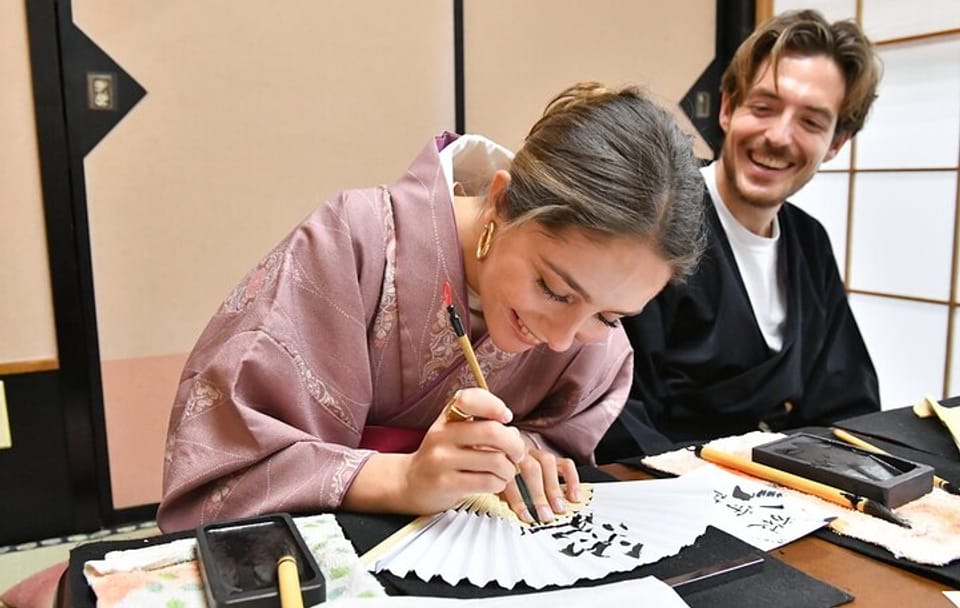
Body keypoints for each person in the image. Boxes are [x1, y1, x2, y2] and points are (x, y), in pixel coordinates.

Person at [158, 82, 706, 532]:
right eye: (553, 289)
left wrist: (525, 451)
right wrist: (402, 479)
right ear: (501, 200)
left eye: (609, 317)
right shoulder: (354, 244)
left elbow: (561, 434)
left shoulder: (590, 346)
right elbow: (226, 469)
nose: (563, 337)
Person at [596, 10, 883, 462]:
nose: (779, 137)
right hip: (666, 485)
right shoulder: (655, 222)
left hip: (787, 486)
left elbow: (847, 406)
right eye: (764, 107)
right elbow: (613, 410)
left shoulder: (810, 243)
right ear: (728, 108)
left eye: (811, 122)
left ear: (835, 144)